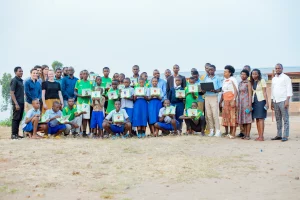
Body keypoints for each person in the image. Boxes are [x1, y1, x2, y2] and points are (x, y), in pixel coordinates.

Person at [271, 63, 293, 142]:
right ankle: (279, 135)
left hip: (283, 101)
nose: (277, 69)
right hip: (275, 101)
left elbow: (289, 90)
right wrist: (272, 101)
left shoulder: (286, 78)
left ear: (282, 69)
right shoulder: (274, 79)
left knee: (285, 119)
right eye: (276, 68)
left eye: (279, 68)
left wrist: (287, 100)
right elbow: (272, 90)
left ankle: (285, 135)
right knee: (278, 119)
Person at [219, 65, 238, 139]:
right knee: (226, 117)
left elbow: (236, 90)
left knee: (232, 117)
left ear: (230, 73)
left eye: (225, 72)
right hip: (225, 100)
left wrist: (234, 100)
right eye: (224, 72)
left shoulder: (233, 79)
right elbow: (223, 92)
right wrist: (221, 101)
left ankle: (233, 133)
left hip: (231, 100)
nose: (224, 73)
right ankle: (227, 132)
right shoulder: (224, 81)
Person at [203, 65, 222, 137]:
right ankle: (211, 130)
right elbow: (203, 86)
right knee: (209, 114)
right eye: (209, 70)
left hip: (214, 97)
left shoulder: (217, 78)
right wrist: (203, 89)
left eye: (212, 70)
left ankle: (218, 130)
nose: (210, 71)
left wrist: (215, 90)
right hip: (207, 96)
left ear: (215, 70)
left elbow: (220, 89)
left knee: (215, 114)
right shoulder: (206, 77)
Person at [250, 69, 269, 141]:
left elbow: (264, 92)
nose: (254, 75)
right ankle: (259, 136)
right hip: (254, 101)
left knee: (261, 118)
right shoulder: (252, 82)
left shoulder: (262, 81)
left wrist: (267, 102)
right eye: (253, 74)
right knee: (257, 118)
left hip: (261, 101)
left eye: (255, 74)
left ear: (258, 74)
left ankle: (261, 136)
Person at [75, 70, 93, 137]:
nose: (85, 75)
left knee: (85, 118)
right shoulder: (78, 82)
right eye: (83, 74)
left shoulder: (90, 83)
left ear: (88, 75)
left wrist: (89, 95)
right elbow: (75, 92)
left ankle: (84, 132)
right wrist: (79, 95)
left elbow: (92, 92)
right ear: (81, 75)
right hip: (79, 102)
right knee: (79, 117)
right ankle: (78, 132)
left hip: (87, 102)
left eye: (86, 74)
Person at [237, 69, 252, 140]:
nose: (243, 75)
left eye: (244, 74)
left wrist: (249, 105)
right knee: (243, 119)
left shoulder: (248, 83)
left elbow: (250, 94)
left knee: (248, 119)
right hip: (240, 103)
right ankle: (245, 134)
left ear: (247, 76)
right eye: (241, 74)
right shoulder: (240, 83)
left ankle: (248, 135)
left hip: (246, 103)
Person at [10, 67, 25, 139]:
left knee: (19, 118)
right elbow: (12, 93)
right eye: (20, 71)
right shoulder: (14, 80)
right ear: (15, 72)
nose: (21, 72)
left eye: (22, 71)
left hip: (22, 102)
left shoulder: (21, 81)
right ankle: (13, 134)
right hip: (17, 103)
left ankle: (17, 134)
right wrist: (16, 103)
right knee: (15, 118)